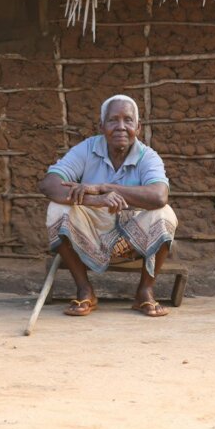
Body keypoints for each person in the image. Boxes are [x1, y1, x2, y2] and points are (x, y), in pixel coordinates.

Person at [38, 94, 178, 317]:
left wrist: (104, 187)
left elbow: (159, 196)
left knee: (165, 214)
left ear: (138, 127)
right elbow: (49, 184)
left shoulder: (148, 157)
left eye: (128, 120)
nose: (121, 127)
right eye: (113, 120)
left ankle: (145, 291)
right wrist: (95, 199)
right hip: (91, 231)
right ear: (101, 126)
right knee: (57, 209)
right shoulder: (86, 149)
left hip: (131, 238)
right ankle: (85, 290)